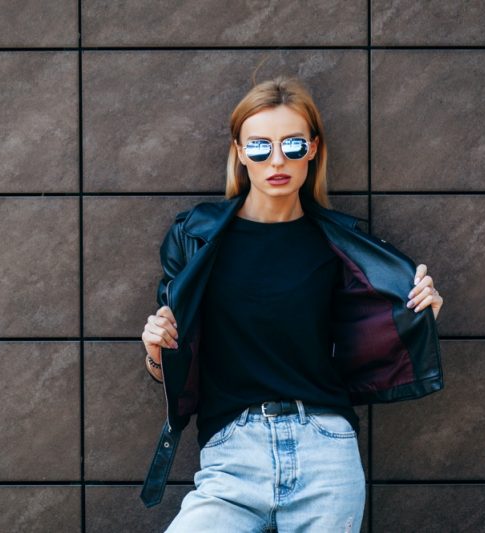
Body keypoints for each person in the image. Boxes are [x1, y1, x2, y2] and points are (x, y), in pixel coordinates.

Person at [139, 76, 444, 532]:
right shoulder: (196, 238)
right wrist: (155, 349)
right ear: (240, 153)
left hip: (325, 452)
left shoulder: (343, 245)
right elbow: (173, 364)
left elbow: (366, 342)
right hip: (231, 455)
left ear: (313, 148)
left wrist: (418, 315)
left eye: (292, 143)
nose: (276, 159)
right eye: (259, 146)